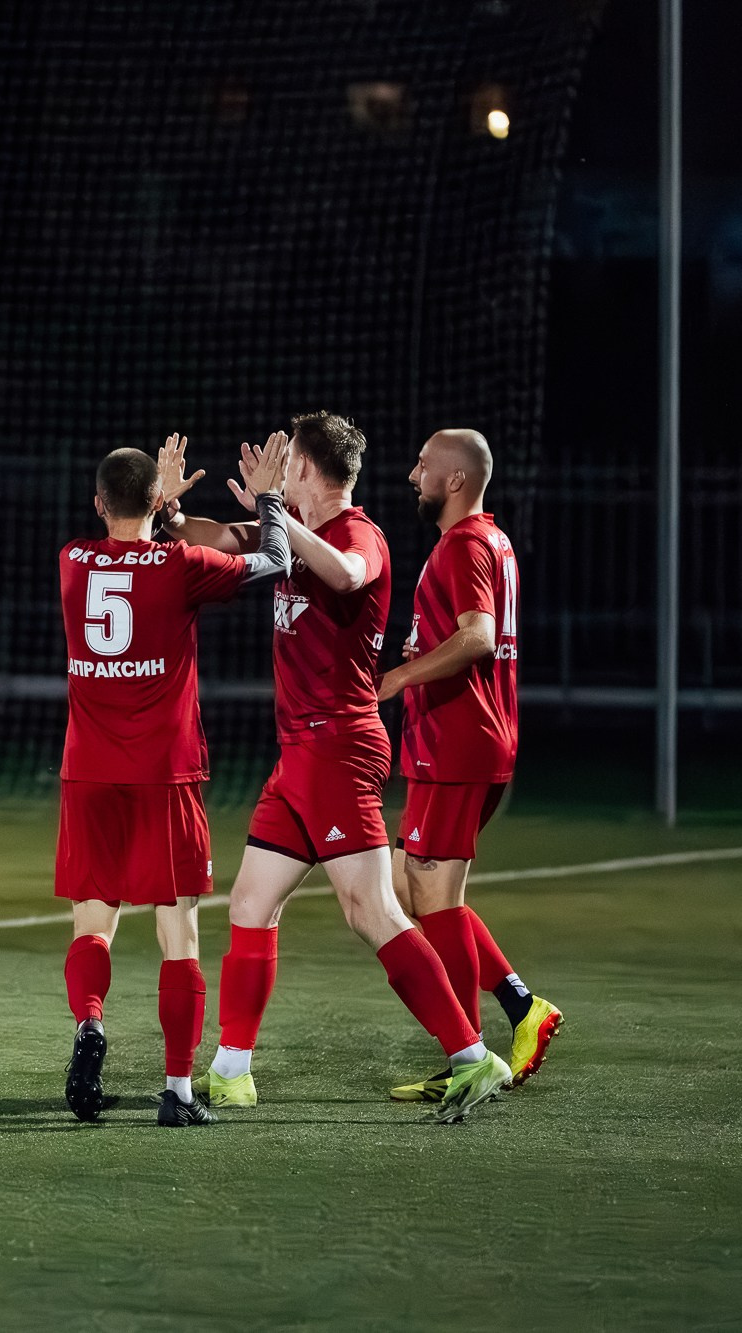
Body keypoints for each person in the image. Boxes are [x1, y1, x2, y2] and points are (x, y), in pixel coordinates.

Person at [164, 412, 511, 1123]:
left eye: (285, 463)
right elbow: (221, 542)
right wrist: (167, 515)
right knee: (250, 905)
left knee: (371, 910)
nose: (277, 472)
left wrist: (271, 513)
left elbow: (348, 574)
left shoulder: (360, 535)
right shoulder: (288, 524)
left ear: (307, 470)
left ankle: (473, 1057)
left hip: (341, 748)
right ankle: (232, 1071)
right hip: (299, 755)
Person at [56, 434, 291, 1127]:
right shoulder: (179, 565)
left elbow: (124, 553)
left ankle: (90, 1025)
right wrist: (270, 498)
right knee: (178, 929)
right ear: (156, 502)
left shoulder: (71, 562)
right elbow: (275, 559)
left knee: (93, 923)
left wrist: (154, 507)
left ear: (98, 503)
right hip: (165, 773)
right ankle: (178, 1091)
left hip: (90, 772)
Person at [376, 429, 561, 1101]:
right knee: (420, 888)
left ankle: (469, 1055)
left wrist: (399, 676)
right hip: (471, 740)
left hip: (457, 741)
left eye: (423, 465)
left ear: (455, 479)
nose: (413, 475)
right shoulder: (494, 538)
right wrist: (426, 646)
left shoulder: (463, 544)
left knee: (428, 897)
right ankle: (520, 1009)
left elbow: (478, 637)